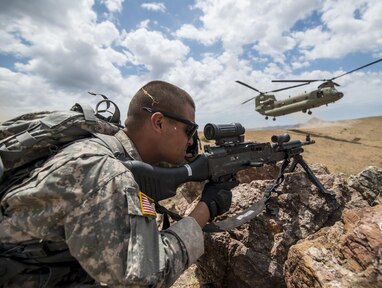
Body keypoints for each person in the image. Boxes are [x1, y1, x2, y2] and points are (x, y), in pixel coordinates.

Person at [0, 81, 235, 287]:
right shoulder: (106, 173)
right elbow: (145, 279)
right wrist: (205, 208)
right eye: (189, 130)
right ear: (159, 123)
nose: (192, 139)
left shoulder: (108, 147)